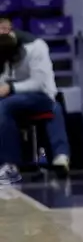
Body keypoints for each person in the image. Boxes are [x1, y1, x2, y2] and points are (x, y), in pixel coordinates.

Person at [0, 18, 70, 180]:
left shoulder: (36, 46)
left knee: (3, 106)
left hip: (41, 95)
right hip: (14, 97)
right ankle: (59, 155)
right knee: (5, 105)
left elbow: (39, 83)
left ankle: (10, 165)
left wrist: (10, 88)